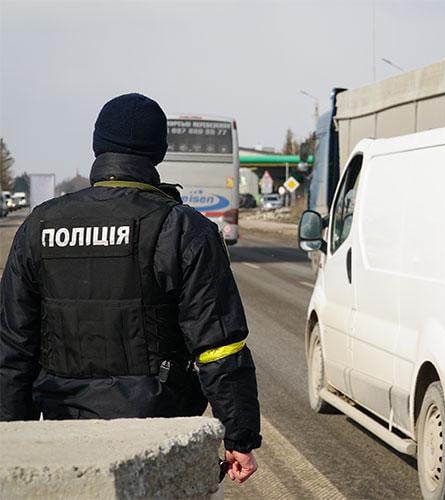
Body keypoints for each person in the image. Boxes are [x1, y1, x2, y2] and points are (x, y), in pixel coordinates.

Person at [0, 93, 260, 483]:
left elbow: (13, 349)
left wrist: (12, 441)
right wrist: (239, 436)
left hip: (61, 431)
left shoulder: (39, 226)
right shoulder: (183, 227)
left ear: (97, 146)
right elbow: (218, 345)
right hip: (157, 440)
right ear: (158, 151)